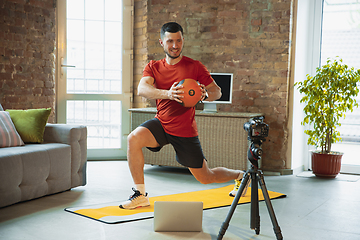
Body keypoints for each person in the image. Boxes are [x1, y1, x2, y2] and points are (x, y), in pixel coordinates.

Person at [119, 22, 249, 209]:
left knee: (206, 177)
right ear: (162, 42)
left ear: (183, 41)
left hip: (185, 131)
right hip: (162, 124)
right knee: (133, 139)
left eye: (178, 40)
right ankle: (140, 195)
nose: (175, 45)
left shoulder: (194, 66)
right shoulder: (153, 66)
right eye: (170, 41)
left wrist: (205, 94)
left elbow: (217, 91)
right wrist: (168, 94)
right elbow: (142, 89)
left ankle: (240, 176)